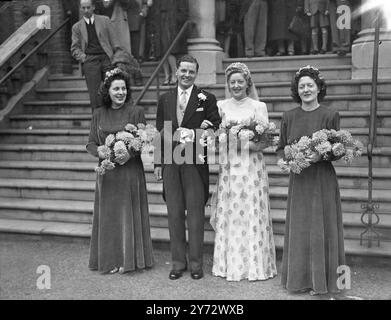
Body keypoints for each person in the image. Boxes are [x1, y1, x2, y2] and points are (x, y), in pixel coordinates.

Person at [277, 65, 345, 295]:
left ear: (318, 88)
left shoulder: (330, 115)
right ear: (297, 90)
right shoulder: (288, 116)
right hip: (300, 180)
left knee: (322, 227)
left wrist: (322, 154)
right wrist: (285, 160)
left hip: (322, 179)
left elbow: (339, 150)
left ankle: (324, 281)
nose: (306, 89)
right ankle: (299, 279)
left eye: (310, 85)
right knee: (301, 227)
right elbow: (281, 148)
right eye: (301, 86)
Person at [154, 55, 221, 280]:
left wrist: (197, 133)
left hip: (194, 161)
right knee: (174, 213)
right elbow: (160, 132)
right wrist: (157, 162)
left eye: (191, 72)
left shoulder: (206, 99)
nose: (186, 75)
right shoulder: (165, 99)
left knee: (194, 213)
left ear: (196, 74)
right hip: (172, 162)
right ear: (177, 72)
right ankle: (177, 263)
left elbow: (214, 129)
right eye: (183, 71)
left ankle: (195, 264)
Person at [211, 62, 277, 281]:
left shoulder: (259, 107)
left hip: (252, 168)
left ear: (248, 83)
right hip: (230, 167)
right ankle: (230, 264)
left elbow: (265, 141)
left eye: (240, 81)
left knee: (251, 210)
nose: (236, 85)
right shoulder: (221, 106)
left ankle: (255, 265)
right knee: (231, 211)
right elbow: (214, 139)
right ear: (228, 84)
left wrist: (243, 144)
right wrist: (227, 142)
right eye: (233, 82)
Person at [87, 68, 154, 274]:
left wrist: (131, 154)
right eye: (116, 88)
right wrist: (98, 150)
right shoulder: (98, 113)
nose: (120, 92)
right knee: (109, 216)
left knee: (128, 213)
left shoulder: (136, 112)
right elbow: (89, 143)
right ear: (107, 91)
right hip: (108, 173)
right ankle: (110, 258)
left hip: (130, 172)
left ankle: (129, 259)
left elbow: (143, 140)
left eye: (123, 89)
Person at [71, 0, 121, 111]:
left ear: (93, 7)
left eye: (88, 7)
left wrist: (115, 57)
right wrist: (84, 58)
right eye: (83, 8)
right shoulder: (76, 27)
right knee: (94, 95)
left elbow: (115, 41)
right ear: (80, 8)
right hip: (90, 60)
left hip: (106, 58)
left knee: (114, 88)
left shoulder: (105, 20)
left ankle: (115, 118)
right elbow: (74, 49)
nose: (86, 10)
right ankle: (97, 123)